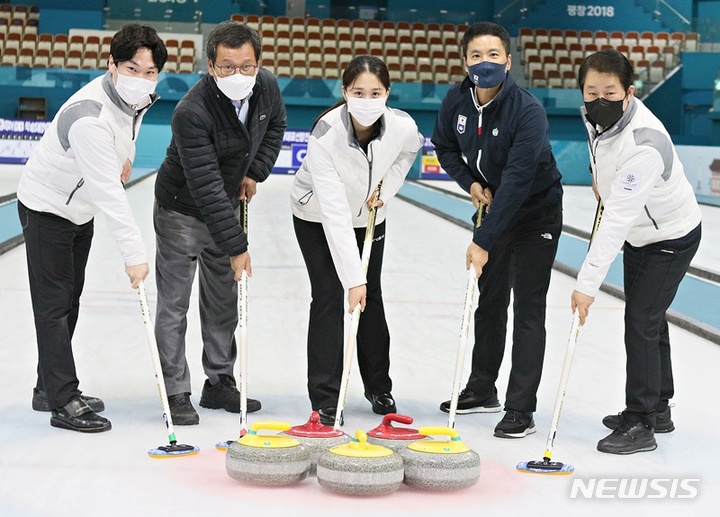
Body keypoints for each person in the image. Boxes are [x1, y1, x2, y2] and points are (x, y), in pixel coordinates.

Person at [17, 24, 167, 433]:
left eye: (150, 72)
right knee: (53, 305)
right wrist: (135, 256)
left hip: (77, 211)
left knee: (70, 301)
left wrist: (126, 156)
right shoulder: (89, 116)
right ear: (111, 65)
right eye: (132, 68)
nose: (141, 79)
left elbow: (125, 135)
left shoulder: (135, 101)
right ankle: (63, 399)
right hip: (47, 208)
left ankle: (47, 386)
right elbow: (109, 194)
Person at [432, 22, 563, 438]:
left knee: (528, 308)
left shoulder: (528, 111)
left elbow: (520, 180)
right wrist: (469, 181)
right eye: (476, 56)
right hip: (493, 207)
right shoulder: (456, 100)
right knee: (489, 303)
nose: (484, 63)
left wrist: (482, 240)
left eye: (493, 55)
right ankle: (482, 388)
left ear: (508, 61)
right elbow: (445, 146)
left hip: (535, 214)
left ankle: (520, 407)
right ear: (464, 61)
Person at [153, 21, 286, 425]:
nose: (238, 75)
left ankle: (219, 381)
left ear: (258, 63)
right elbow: (206, 186)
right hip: (181, 209)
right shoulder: (191, 111)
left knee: (223, 300)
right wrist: (238, 246)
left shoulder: (267, 86)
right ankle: (175, 390)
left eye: (246, 65)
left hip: (226, 203)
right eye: (227, 67)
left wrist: (255, 172)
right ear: (210, 66)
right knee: (174, 304)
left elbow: (275, 127)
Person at [572, 49, 702, 455]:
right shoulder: (592, 115)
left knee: (640, 320)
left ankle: (641, 421)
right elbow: (599, 154)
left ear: (629, 93)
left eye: (609, 92)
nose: (598, 100)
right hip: (642, 234)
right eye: (591, 91)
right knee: (650, 318)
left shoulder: (644, 143)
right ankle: (659, 407)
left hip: (671, 235)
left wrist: (586, 285)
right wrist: (598, 180)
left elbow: (616, 222)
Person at [290, 55, 424, 426]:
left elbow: (411, 151)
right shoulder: (325, 134)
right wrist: (353, 278)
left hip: (368, 217)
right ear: (345, 91)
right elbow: (334, 214)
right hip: (317, 218)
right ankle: (326, 398)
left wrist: (389, 188)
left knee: (371, 298)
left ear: (388, 93)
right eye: (358, 92)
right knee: (331, 296)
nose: (367, 99)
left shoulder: (402, 126)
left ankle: (378, 386)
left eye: (375, 92)